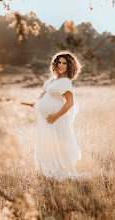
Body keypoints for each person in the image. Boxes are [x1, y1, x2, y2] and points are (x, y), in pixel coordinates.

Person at [35, 50, 85, 181]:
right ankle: (48, 168)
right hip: (47, 120)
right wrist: (43, 95)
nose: (61, 65)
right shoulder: (54, 79)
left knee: (57, 144)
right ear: (55, 64)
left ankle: (60, 168)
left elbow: (70, 102)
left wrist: (56, 116)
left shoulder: (65, 82)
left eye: (64, 63)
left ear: (69, 66)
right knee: (47, 143)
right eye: (59, 62)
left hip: (56, 119)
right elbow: (48, 91)